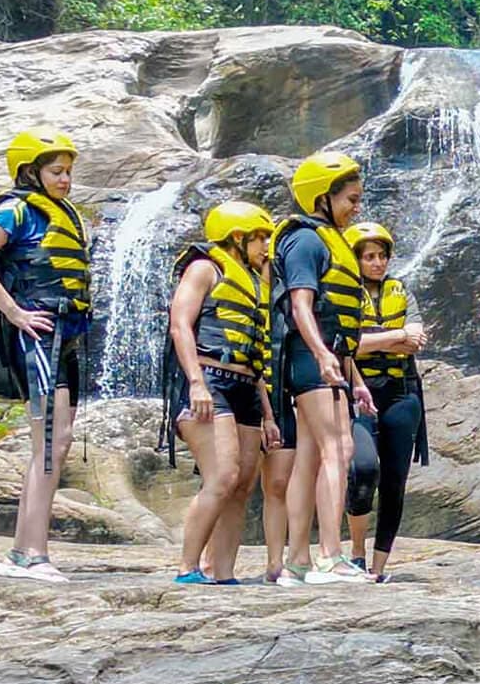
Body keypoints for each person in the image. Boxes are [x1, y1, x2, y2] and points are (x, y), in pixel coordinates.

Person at [0, 129, 92, 583]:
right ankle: (30, 555)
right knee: (51, 443)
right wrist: (14, 312)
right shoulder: (15, 209)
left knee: (58, 441)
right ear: (30, 172)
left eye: (68, 172)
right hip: (38, 339)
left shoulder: (62, 213)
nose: (65, 180)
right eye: (56, 172)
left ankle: (24, 552)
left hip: (65, 338)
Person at [270, 151, 375, 585]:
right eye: (351, 199)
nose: (356, 208)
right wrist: (321, 354)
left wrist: (354, 378)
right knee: (339, 449)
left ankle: (297, 562)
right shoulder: (308, 241)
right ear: (322, 198)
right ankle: (330, 557)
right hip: (312, 359)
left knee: (311, 457)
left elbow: (334, 319)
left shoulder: (329, 240)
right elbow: (301, 305)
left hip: (324, 360)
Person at [165, 201, 280, 584]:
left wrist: (268, 415)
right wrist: (196, 382)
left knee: (243, 484)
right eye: (260, 238)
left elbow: (254, 356)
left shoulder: (254, 282)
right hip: (210, 379)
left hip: (247, 387)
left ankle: (224, 574)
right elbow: (180, 325)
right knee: (222, 475)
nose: (266, 246)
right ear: (237, 237)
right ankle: (188, 568)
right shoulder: (205, 268)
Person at [343, 222, 430, 582]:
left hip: (401, 392)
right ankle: (357, 554)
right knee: (364, 468)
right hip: (358, 392)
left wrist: (372, 339)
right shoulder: (345, 294)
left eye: (381, 256)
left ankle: (379, 568)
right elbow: (347, 345)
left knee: (395, 480)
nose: (377, 263)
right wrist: (396, 336)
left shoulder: (401, 290)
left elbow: (417, 340)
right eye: (369, 257)